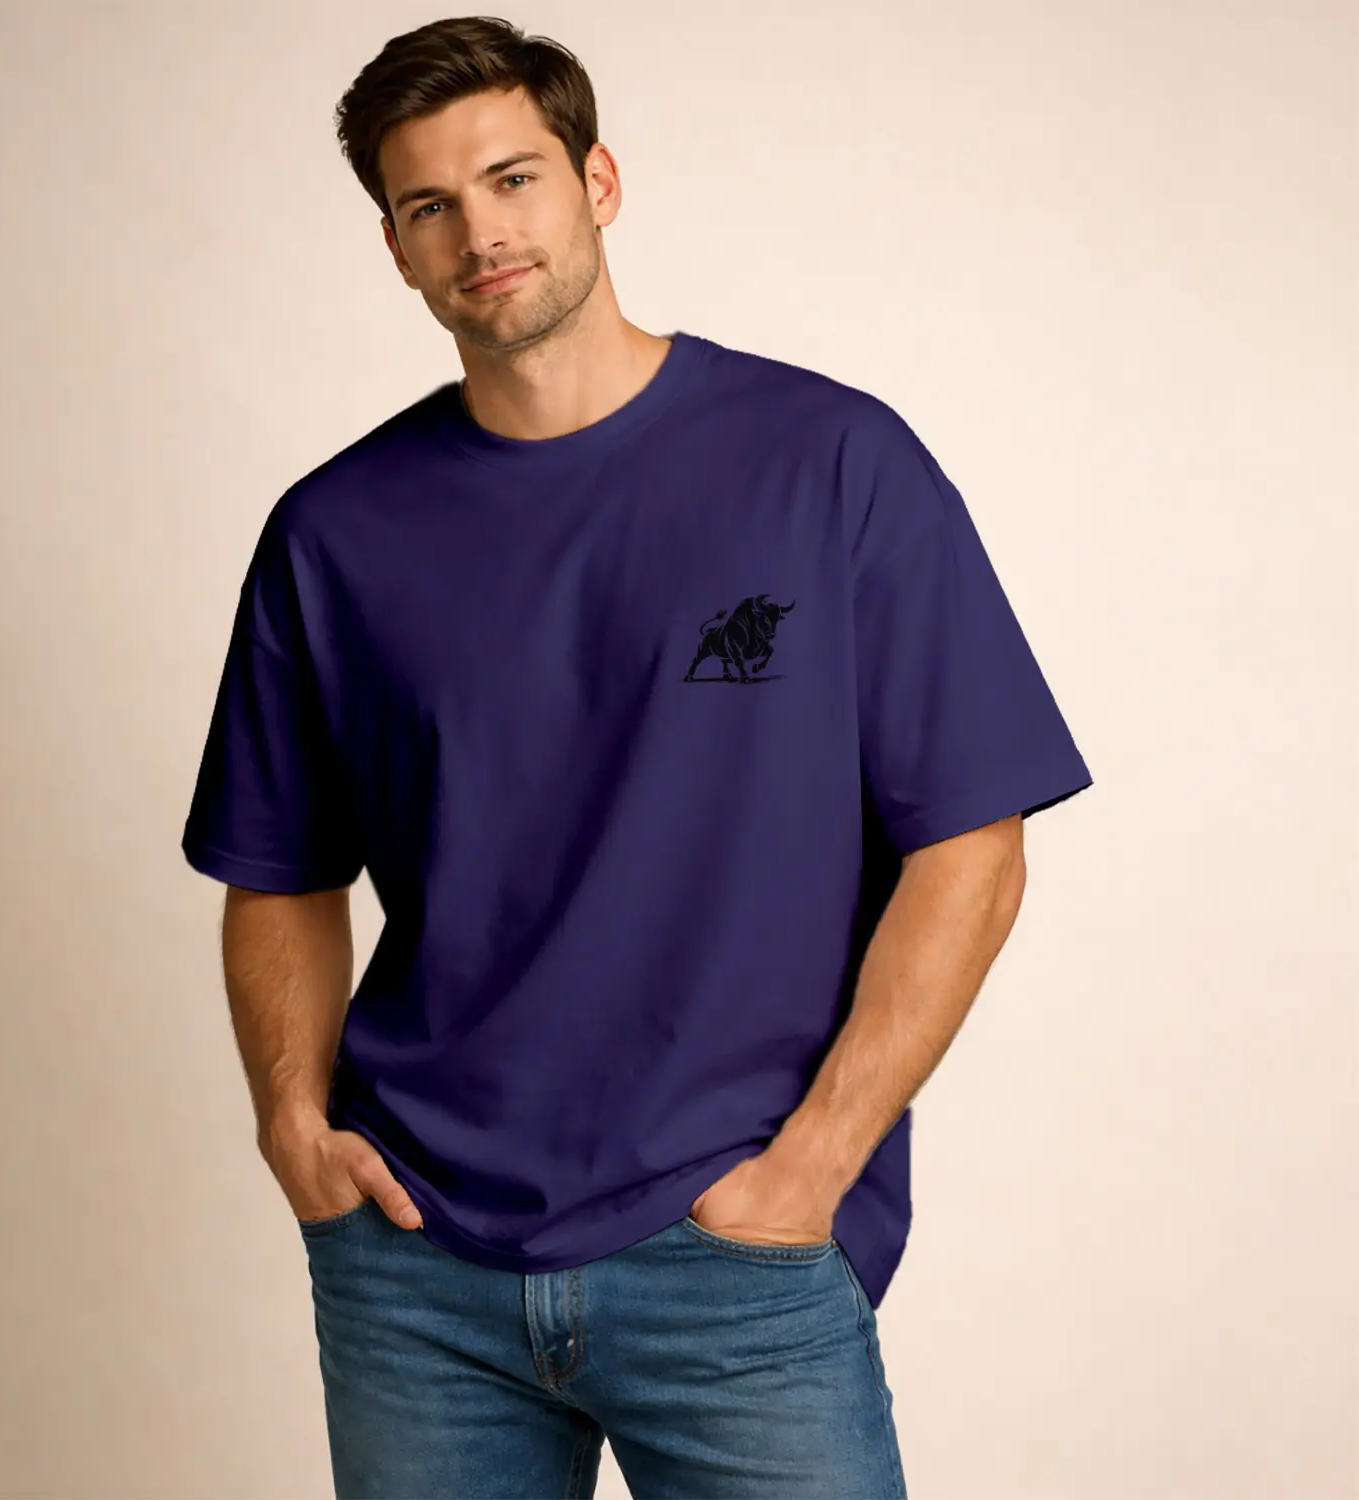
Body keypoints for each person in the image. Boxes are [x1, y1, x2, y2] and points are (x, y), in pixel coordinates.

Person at [180, 15, 1094, 1498]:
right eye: (430, 205)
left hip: (736, 1256)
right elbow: (278, 868)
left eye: (513, 178)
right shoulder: (334, 533)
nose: (482, 232)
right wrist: (293, 1124)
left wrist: (815, 1165)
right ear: (396, 250)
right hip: (418, 1267)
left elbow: (973, 847)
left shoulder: (830, 463)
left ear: (598, 181)